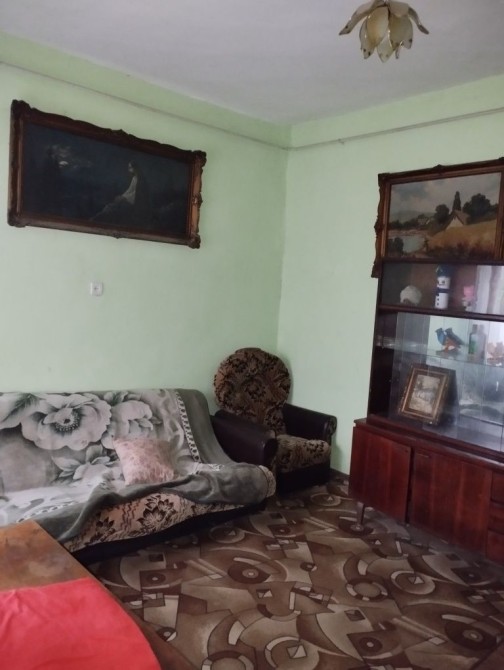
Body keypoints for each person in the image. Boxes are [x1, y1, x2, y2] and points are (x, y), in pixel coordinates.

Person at [92, 159, 152, 226]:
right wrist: (122, 196)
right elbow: (130, 189)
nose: (129, 169)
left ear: (135, 167)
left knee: (116, 209)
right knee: (111, 206)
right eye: (129, 167)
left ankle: (99, 218)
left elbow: (136, 193)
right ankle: (98, 217)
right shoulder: (134, 178)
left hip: (136, 202)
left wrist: (124, 198)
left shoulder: (141, 179)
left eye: (130, 167)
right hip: (129, 200)